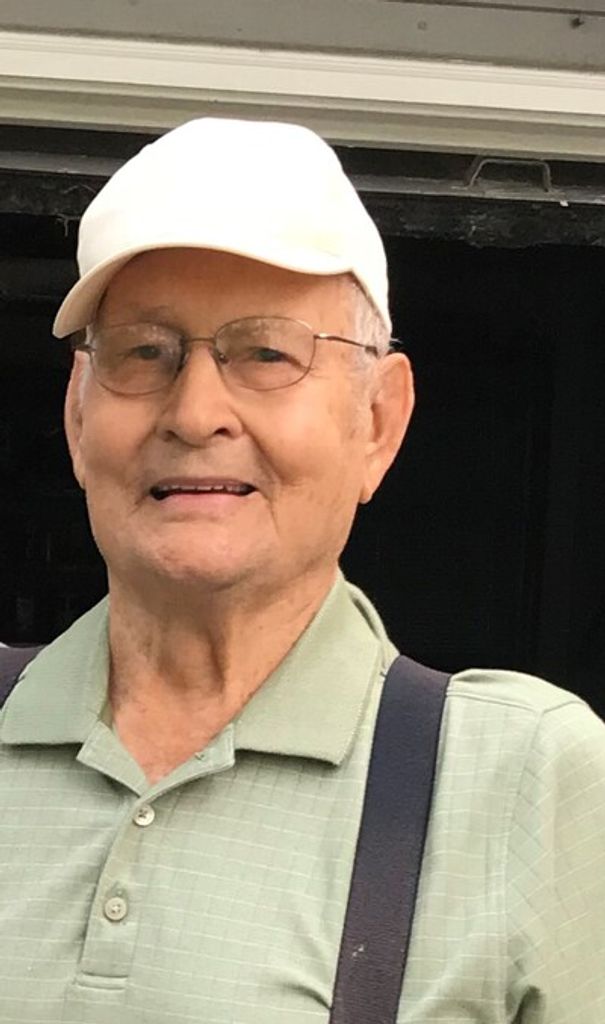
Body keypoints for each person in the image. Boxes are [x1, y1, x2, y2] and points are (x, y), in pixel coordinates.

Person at [1, 117, 604, 1024]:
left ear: (378, 422)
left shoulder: (524, 778)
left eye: (266, 353)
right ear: (78, 419)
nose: (195, 412)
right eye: (143, 351)